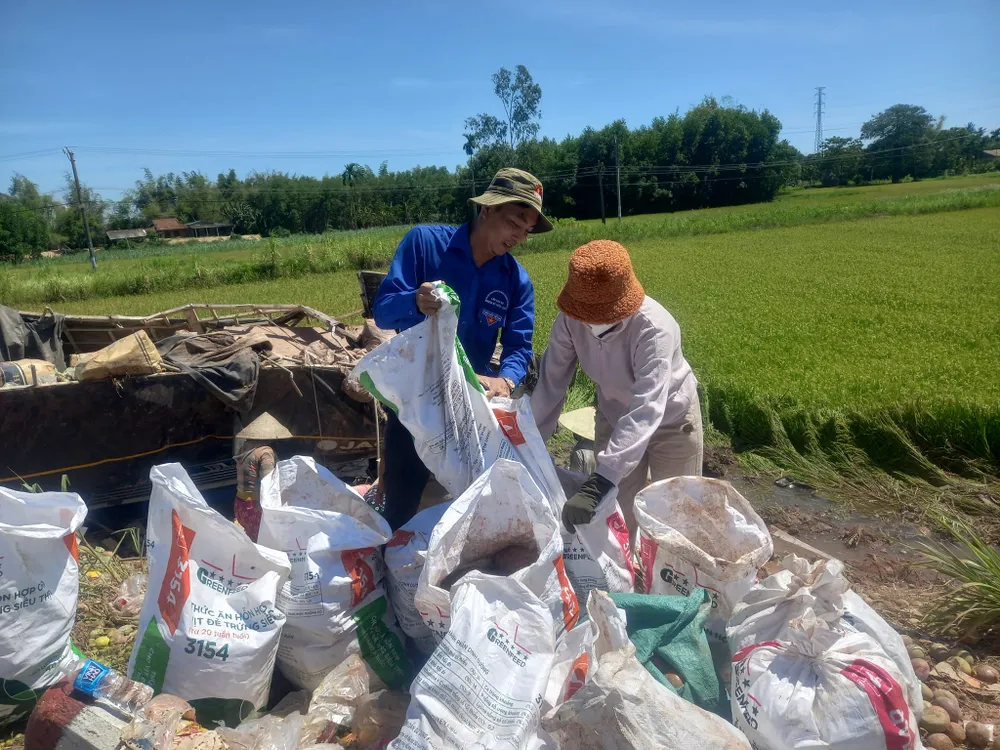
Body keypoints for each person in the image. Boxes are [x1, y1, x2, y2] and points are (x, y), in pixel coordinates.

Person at [372, 168, 552, 529]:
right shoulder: (424, 245)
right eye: (515, 222)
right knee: (400, 506)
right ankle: (394, 568)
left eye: (527, 230)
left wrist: (506, 380)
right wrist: (414, 301)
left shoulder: (516, 281)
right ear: (487, 210)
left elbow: (519, 346)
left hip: (468, 411)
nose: (519, 236)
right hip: (414, 404)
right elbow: (382, 309)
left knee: (469, 511)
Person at [531, 239, 703, 536]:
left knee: (677, 513)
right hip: (613, 414)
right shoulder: (570, 320)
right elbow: (551, 381)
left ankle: (672, 579)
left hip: (670, 422)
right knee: (618, 516)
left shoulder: (653, 328)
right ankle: (628, 578)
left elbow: (647, 406)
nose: (589, 322)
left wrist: (601, 479)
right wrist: (530, 442)